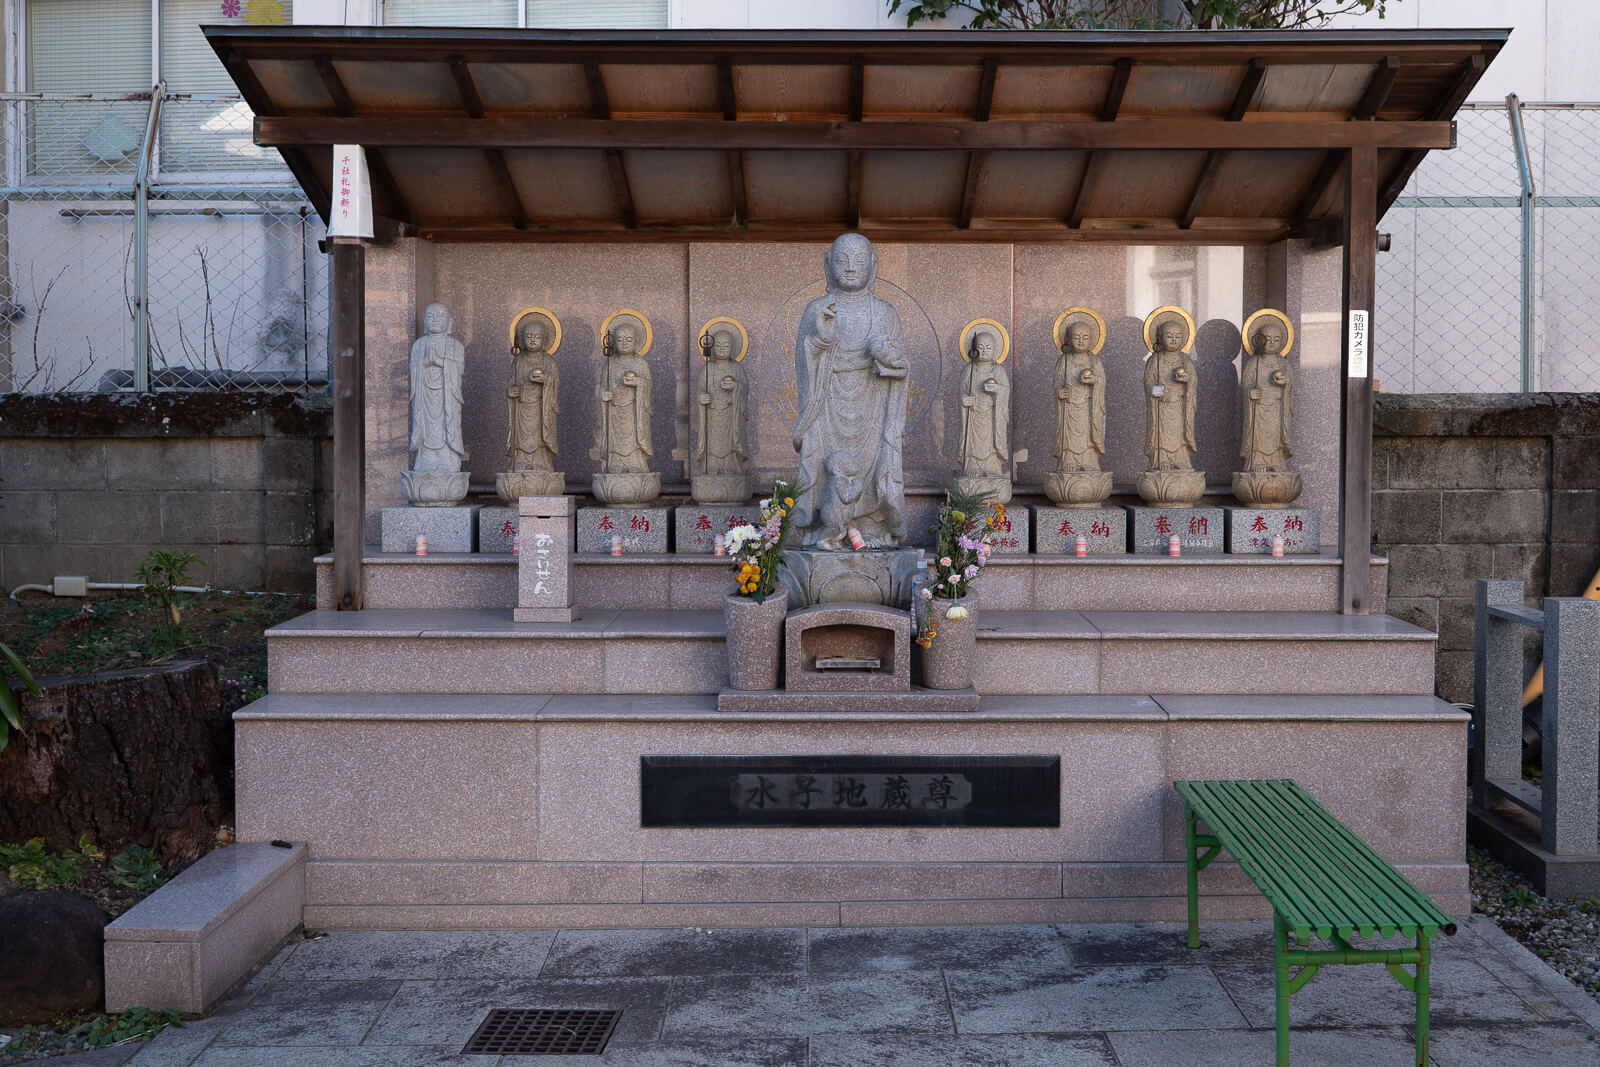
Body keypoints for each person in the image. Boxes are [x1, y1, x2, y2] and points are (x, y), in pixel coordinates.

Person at [791, 233, 909, 549]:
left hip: (873, 401)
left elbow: (901, 365)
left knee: (875, 465)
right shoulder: (817, 309)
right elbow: (804, 360)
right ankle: (827, 527)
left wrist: (890, 361)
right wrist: (822, 340)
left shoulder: (885, 313)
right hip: (826, 402)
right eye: (843, 260)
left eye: (859, 260)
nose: (851, 267)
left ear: (873, 265)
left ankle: (871, 525)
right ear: (829, 265)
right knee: (824, 463)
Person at [408, 302, 467, 473]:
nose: (434, 320)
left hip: (447, 396)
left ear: (450, 322)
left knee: (448, 423)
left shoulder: (455, 345)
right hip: (424, 395)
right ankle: (426, 458)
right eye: (429, 316)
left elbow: (459, 369)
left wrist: (441, 363)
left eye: (440, 316)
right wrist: (423, 364)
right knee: (424, 424)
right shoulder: (419, 345)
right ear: (424, 322)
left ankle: (447, 458)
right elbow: (414, 367)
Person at [594, 318, 653, 474]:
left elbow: (648, 386)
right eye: (620, 339)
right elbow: (600, 389)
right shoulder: (609, 364)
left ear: (636, 341)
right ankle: (616, 464)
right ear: (613, 342)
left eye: (629, 339)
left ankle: (635, 463)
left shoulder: (640, 363)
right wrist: (603, 395)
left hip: (634, 411)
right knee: (615, 440)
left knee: (633, 439)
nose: (625, 343)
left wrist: (639, 383)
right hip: (614, 412)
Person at [506, 313, 560, 473]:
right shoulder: (518, 361)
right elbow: (510, 382)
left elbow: (555, 382)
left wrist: (546, 381)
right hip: (522, 407)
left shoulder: (549, 361)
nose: (532, 339)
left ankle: (541, 462)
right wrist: (511, 391)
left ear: (544, 339)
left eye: (537, 336)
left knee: (540, 436)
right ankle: (521, 461)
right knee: (521, 437)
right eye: (528, 336)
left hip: (541, 407)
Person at [1143, 317, 1197, 471]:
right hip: (1162, 407)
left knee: (1180, 434)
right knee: (1162, 433)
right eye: (1169, 336)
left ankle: (1181, 459)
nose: (1173, 339)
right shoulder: (1155, 360)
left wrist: (1188, 380)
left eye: (1178, 336)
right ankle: (1161, 460)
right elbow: (1148, 383)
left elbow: (1193, 381)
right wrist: (1159, 391)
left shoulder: (1185, 360)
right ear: (1160, 337)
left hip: (1180, 406)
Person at [1239, 318, 1293, 472]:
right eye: (1267, 339)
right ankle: (1257, 461)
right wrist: (1250, 393)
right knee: (1258, 435)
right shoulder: (1253, 363)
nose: (1271, 343)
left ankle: (1276, 461)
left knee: (1276, 435)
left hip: (1277, 408)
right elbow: (1245, 385)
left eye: (1276, 339)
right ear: (1258, 340)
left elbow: (1290, 385)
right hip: (1258, 409)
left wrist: (1285, 383)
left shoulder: (1283, 364)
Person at [1053, 320, 1106, 473]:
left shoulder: (1094, 361)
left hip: (1088, 407)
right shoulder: (1064, 361)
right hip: (1069, 408)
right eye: (1076, 337)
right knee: (1068, 435)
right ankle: (1068, 459)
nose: (1081, 341)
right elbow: (1056, 384)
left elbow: (1102, 381)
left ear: (1091, 339)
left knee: (1088, 435)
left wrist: (1095, 381)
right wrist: (1059, 393)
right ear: (1069, 339)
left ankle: (1088, 460)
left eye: (1085, 337)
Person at [958, 328, 1009, 479]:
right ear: (973, 350)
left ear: (995, 349)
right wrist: (964, 401)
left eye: (988, 348)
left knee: (991, 442)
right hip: (973, 416)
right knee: (972, 441)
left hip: (992, 416)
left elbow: (1006, 392)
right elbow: (961, 393)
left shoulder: (999, 371)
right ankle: (972, 464)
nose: (985, 351)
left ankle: (992, 465)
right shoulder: (969, 370)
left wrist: (998, 390)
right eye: (980, 348)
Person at [696, 327, 748, 477]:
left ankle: (730, 465)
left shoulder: (737, 368)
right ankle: (711, 465)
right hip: (711, 414)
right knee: (711, 443)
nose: (721, 349)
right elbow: (700, 388)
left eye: (726, 346)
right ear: (712, 348)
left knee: (731, 441)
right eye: (718, 345)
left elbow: (744, 391)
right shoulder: (707, 369)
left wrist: (736, 387)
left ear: (732, 348)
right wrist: (702, 397)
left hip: (731, 413)